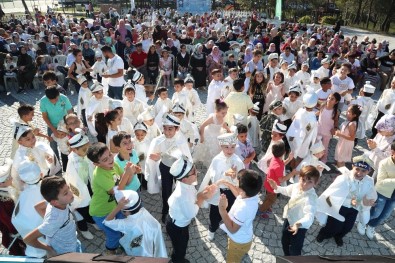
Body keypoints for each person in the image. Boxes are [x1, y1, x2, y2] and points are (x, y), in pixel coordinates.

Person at [87, 142, 139, 254]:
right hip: (101, 213)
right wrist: (127, 173)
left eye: (110, 155)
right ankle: (110, 252)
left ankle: (122, 244)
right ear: (96, 164)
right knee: (114, 234)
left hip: (115, 207)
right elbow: (117, 192)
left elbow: (126, 182)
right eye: (105, 159)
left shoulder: (114, 164)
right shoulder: (99, 175)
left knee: (122, 228)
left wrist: (132, 172)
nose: (110, 159)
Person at [316, 155, 377, 247]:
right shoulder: (344, 178)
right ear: (353, 166)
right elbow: (332, 196)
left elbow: (371, 195)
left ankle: (338, 236)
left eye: (363, 171)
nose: (359, 173)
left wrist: (366, 203)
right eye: (357, 169)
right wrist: (350, 202)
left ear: (369, 171)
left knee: (347, 227)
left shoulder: (369, 181)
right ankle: (323, 234)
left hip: (354, 209)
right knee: (334, 226)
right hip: (340, 207)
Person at [166, 157, 217, 263]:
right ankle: (177, 260)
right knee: (180, 248)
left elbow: (194, 198)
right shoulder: (182, 196)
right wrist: (202, 197)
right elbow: (191, 213)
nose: (197, 171)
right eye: (193, 171)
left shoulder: (187, 184)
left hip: (180, 224)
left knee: (182, 243)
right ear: (184, 179)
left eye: (194, 168)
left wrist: (202, 194)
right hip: (177, 227)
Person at [145, 113, 192, 222]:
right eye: (165, 129)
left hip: (180, 169)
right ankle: (166, 210)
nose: (166, 132)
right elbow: (152, 155)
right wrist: (157, 157)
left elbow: (184, 157)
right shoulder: (159, 140)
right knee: (166, 190)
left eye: (170, 129)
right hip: (165, 168)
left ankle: (181, 209)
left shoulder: (181, 141)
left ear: (177, 129)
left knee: (181, 189)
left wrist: (161, 155)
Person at [198, 132, 245, 241]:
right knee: (215, 212)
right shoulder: (216, 160)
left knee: (231, 212)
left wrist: (234, 177)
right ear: (221, 146)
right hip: (219, 192)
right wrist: (226, 174)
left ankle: (228, 227)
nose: (229, 150)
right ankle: (212, 229)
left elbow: (241, 178)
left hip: (232, 192)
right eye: (226, 147)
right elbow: (214, 179)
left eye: (232, 147)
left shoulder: (237, 161)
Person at [24, 176, 81, 257]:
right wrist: (49, 249)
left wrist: (52, 226)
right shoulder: (53, 221)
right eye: (65, 193)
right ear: (55, 202)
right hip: (66, 253)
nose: (71, 193)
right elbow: (28, 239)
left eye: (68, 189)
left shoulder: (54, 202)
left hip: (73, 242)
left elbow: (38, 207)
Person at [269, 165, 319, 256]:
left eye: (309, 182)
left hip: (299, 227)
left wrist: (298, 224)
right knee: (284, 240)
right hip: (289, 218)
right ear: (299, 178)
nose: (304, 184)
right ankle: (286, 255)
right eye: (303, 180)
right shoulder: (296, 186)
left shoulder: (311, 199)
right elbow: (286, 190)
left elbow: (309, 216)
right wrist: (276, 187)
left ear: (315, 183)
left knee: (295, 248)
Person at [103, 189, 168, 258]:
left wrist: (118, 207)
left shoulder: (128, 224)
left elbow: (108, 221)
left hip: (138, 251)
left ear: (126, 212)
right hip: (151, 246)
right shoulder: (143, 211)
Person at [218, 169, 263, 262]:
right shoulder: (252, 196)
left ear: (243, 189)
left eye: (237, 182)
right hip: (245, 237)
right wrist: (230, 185)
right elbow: (239, 194)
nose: (236, 183)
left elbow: (233, 229)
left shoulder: (243, 208)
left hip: (237, 243)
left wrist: (222, 210)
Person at [64, 132, 96, 240]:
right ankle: (83, 229)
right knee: (81, 208)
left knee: (91, 204)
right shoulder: (72, 162)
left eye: (88, 148)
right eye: (84, 149)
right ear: (74, 150)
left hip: (88, 185)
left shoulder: (84, 155)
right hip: (79, 190)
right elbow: (73, 180)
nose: (87, 151)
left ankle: (91, 220)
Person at [12, 160, 45, 258]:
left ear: (22, 180)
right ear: (41, 174)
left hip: (30, 238)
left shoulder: (23, 194)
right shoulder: (47, 190)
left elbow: (15, 218)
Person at [364, 142, 395, 240]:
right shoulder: (384, 163)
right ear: (393, 152)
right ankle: (363, 222)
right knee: (375, 213)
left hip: (394, 196)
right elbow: (381, 182)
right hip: (382, 193)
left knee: (385, 215)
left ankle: (371, 226)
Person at [258, 141, 294, 218]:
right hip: (272, 187)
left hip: (268, 183)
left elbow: (282, 164)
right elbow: (281, 180)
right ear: (284, 152)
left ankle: (266, 206)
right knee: (271, 200)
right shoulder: (278, 166)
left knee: (268, 197)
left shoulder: (274, 159)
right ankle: (261, 210)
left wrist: (289, 159)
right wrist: (292, 174)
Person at [194, 99, 231, 168]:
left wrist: (228, 129)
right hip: (210, 135)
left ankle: (217, 162)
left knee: (218, 149)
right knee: (210, 150)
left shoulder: (223, 117)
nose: (225, 114)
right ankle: (210, 163)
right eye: (223, 113)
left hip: (219, 134)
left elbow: (223, 124)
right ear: (216, 111)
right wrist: (202, 136)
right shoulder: (212, 118)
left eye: (226, 112)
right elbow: (202, 126)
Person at [40, 86, 73, 160]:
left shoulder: (64, 98)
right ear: (47, 97)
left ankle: (69, 163)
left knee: (67, 145)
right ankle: (57, 165)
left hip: (64, 126)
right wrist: (54, 130)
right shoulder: (43, 101)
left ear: (58, 94)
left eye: (56, 98)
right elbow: (45, 116)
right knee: (53, 147)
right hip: (52, 126)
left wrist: (68, 127)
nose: (54, 101)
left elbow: (70, 113)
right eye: (51, 100)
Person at [317, 92, 341, 163]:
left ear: (336, 102)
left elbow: (336, 121)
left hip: (328, 131)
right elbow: (320, 113)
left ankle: (323, 159)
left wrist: (335, 128)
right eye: (329, 98)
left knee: (325, 146)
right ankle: (314, 158)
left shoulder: (335, 112)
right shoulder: (322, 105)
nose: (329, 100)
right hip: (318, 129)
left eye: (332, 99)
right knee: (316, 144)